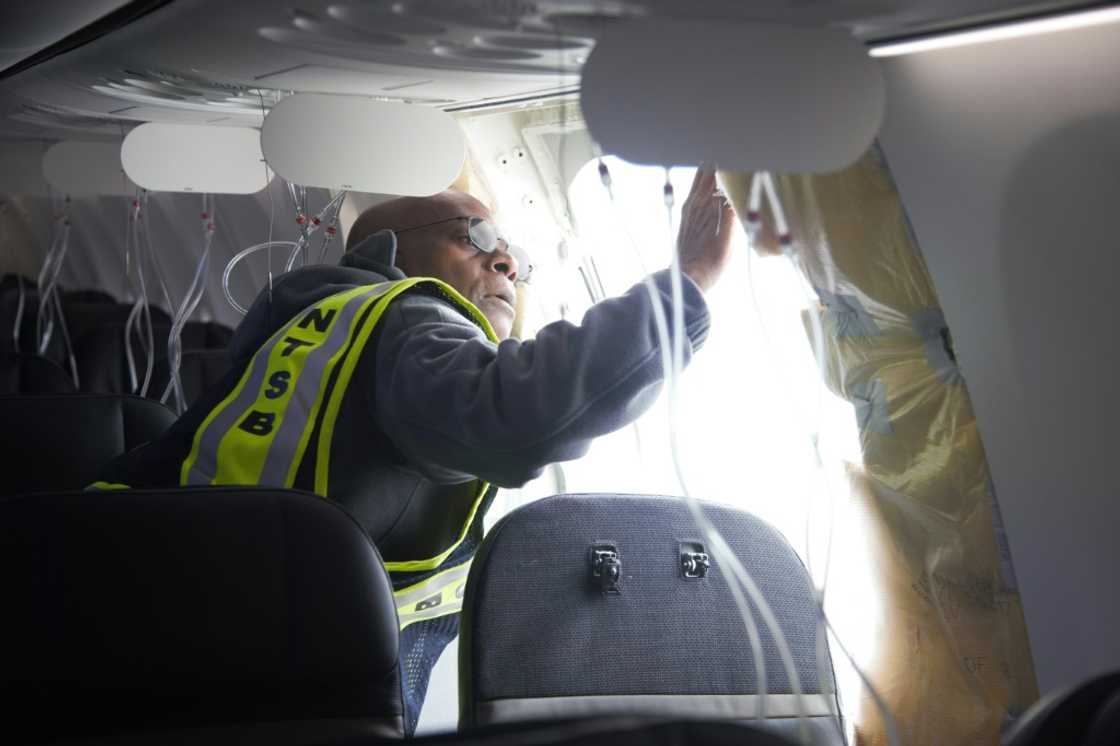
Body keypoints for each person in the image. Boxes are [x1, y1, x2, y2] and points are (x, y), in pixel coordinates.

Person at [94, 166, 736, 730]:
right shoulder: (406, 318)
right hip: (298, 671)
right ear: (387, 252)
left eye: (514, 254)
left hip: (178, 620)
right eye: (476, 237)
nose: (506, 262)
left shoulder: (315, 324)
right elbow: (513, 413)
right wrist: (689, 285)